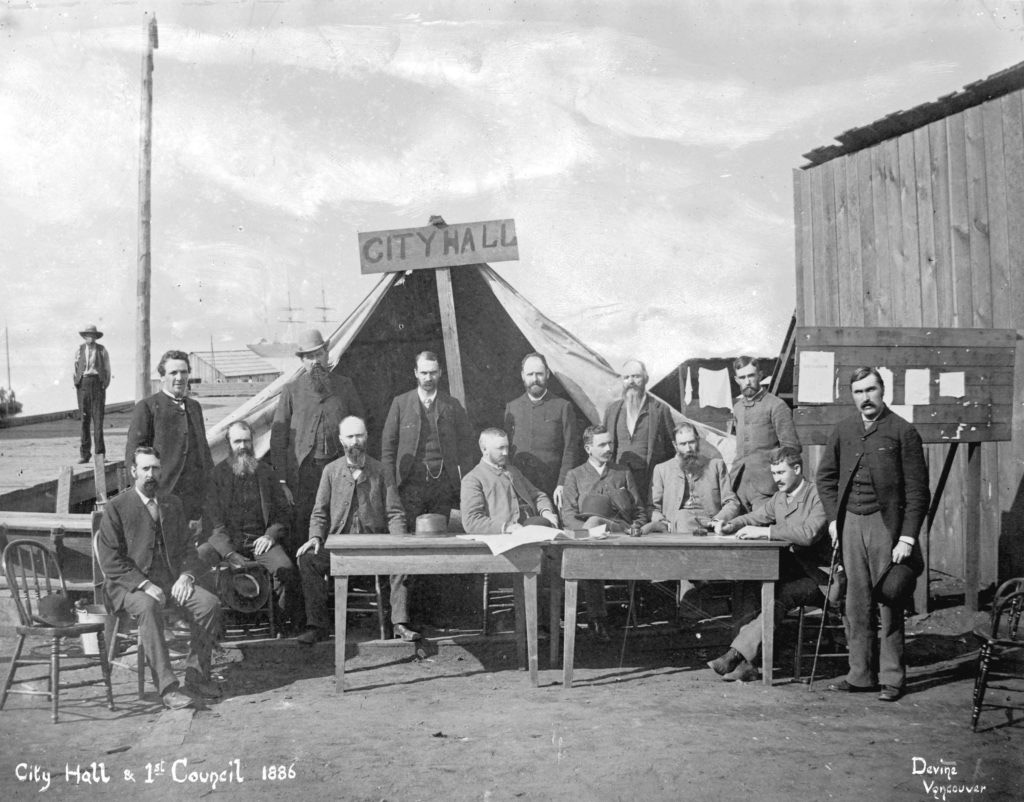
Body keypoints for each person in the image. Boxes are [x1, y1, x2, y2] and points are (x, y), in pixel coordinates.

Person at [817, 367, 929, 702]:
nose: (865, 398)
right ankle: (860, 675)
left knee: (889, 602)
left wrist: (907, 537)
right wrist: (835, 520)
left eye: (871, 390)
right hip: (850, 524)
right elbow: (825, 479)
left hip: (886, 526)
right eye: (858, 392)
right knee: (855, 603)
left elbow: (918, 492)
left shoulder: (903, 432)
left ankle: (893, 678)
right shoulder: (843, 430)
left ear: (883, 390)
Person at [95, 447, 221, 710]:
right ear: (133, 472)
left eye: (155, 469)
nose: (150, 475)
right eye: (145, 469)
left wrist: (186, 575)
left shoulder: (171, 503)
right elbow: (110, 561)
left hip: (170, 584)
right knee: (148, 606)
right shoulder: (117, 508)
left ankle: (196, 676)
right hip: (127, 588)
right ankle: (168, 688)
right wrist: (144, 584)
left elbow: (188, 548)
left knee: (209, 604)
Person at [707, 447, 828, 681]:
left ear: (797, 469)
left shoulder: (817, 495)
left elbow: (808, 534)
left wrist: (766, 532)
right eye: (774, 473)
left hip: (818, 577)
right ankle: (747, 663)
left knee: (778, 596)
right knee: (747, 585)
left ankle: (736, 655)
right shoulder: (780, 498)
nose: (777, 478)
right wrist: (730, 524)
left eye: (781, 472)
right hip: (791, 569)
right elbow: (756, 517)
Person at [295, 416, 413, 644]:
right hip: (340, 549)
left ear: (366, 437)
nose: (355, 441)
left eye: (359, 435)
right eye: (350, 436)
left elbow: (395, 513)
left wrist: (398, 541)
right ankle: (317, 627)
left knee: (403, 559)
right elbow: (319, 511)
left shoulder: (381, 470)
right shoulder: (331, 471)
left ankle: (400, 623)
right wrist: (315, 537)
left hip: (374, 548)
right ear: (341, 440)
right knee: (308, 559)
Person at [270, 328, 365, 554]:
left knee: (338, 524)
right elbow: (277, 438)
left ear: (327, 353)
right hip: (303, 475)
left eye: (319, 354)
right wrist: (282, 481)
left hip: (339, 471)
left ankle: (337, 582)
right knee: (304, 527)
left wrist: (359, 465)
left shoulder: (345, 386)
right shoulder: (291, 390)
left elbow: (360, 425)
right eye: (309, 357)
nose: (315, 361)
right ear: (302, 361)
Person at [200, 420, 301, 629]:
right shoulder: (216, 476)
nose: (243, 446)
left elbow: (283, 513)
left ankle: (280, 625)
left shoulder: (266, 472)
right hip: (226, 542)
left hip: (260, 542)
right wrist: (228, 553)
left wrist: (270, 535)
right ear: (229, 444)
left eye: (247, 441)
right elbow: (213, 521)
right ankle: (210, 626)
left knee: (285, 569)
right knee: (198, 558)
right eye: (237, 441)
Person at [561, 425, 646, 641]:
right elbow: (568, 516)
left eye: (610, 443)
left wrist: (635, 528)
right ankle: (597, 619)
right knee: (590, 550)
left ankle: (600, 619)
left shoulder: (622, 472)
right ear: (588, 448)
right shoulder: (575, 475)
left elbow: (639, 511)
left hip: (620, 537)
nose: (609, 448)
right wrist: (585, 533)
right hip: (589, 540)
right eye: (602, 444)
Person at [381, 351, 475, 524]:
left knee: (440, 533)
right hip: (409, 486)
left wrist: (466, 486)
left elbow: (466, 448)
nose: (428, 377)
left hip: (442, 486)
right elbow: (388, 449)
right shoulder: (400, 404)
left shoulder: (452, 405)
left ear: (440, 373)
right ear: (416, 373)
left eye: (433, 373)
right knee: (409, 535)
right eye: (424, 373)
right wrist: (391, 486)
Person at [125, 350, 213, 522]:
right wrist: (145, 495)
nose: (179, 378)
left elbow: (204, 452)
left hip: (194, 497)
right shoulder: (148, 407)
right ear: (162, 377)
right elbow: (133, 457)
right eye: (173, 373)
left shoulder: (195, 407)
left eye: (184, 372)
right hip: (163, 493)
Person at [503, 353, 577, 509]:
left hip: (552, 487)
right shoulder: (513, 407)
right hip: (520, 487)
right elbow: (506, 449)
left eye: (539, 374)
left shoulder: (563, 406)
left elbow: (570, 449)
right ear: (523, 376)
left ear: (548, 374)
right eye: (530, 374)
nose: (535, 379)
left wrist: (562, 483)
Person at [730, 356, 801, 512]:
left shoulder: (776, 405)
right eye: (742, 377)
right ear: (736, 380)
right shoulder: (737, 408)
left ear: (760, 375)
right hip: (739, 486)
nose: (747, 381)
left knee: (759, 533)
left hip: (766, 489)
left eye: (751, 375)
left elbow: (791, 448)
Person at [602, 359, 676, 503]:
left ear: (646, 379)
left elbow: (671, 450)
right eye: (626, 377)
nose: (631, 382)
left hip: (650, 482)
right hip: (620, 483)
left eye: (636, 376)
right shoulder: (612, 411)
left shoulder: (660, 410)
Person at [645, 423, 741, 534]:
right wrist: (662, 522)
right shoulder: (662, 469)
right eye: (683, 444)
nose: (688, 448)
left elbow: (732, 502)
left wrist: (717, 520)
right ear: (675, 445)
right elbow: (652, 507)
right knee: (683, 517)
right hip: (678, 524)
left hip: (711, 523)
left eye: (691, 442)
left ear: (698, 441)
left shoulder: (716, 465)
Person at [460, 428, 559, 534]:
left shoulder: (513, 471)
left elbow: (538, 496)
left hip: (534, 530)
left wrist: (546, 512)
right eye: (500, 448)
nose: (505, 452)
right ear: (484, 449)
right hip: (505, 539)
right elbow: (471, 521)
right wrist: (506, 528)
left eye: (507, 447)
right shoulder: (473, 479)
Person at [73, 323, 111, 465]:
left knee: (98, 421)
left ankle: (100, 454)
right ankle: (84, 454)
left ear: (96, 337)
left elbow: (107, 369)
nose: (90, 338)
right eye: (88, 335)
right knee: (84, 421)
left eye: (93, 335)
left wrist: (103, 384)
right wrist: (77, 382)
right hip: (83, 384)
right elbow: (75, 367)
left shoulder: (102, 350)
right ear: (84, 337)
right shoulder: (79, 350)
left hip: (97, 385)